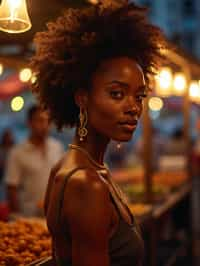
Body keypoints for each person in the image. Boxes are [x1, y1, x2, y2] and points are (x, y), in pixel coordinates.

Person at [31, 0, 165, 265]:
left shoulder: (72, 166)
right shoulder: (86, 184)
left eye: (139, 96)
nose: (133, 108)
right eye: (117, 94)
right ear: (82, 98)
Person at [5, 105, 64, 217]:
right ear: (29, 123)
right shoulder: (17, 152)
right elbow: (11, 188)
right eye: (40, 120)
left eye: (48, 121)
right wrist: (17, 216)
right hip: (28, 215)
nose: (45, 125)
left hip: (53, 214)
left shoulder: (57, 147)